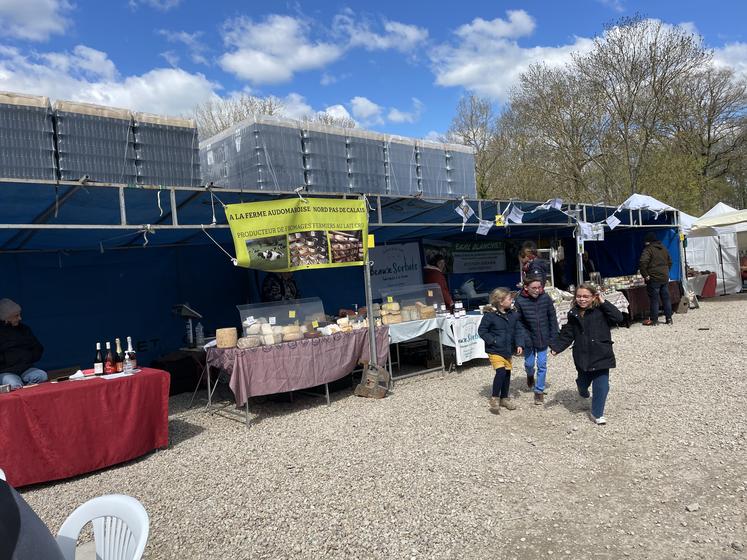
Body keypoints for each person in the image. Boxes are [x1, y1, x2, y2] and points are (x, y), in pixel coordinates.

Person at [550, 283, 624, 425]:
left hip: (601, 353)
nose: (582, 299)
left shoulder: (601, 310)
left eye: (585, 296)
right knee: (583, 382)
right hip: (582, 355)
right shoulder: (573, 313)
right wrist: (556, 347)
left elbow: (618, 318)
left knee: (601, 386)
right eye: (579, 296)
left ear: (593, 297)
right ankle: (581, 387)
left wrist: (603, 302)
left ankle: (597, 413)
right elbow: (568, 334)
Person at [478, 288, 525, 414]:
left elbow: (519, 330)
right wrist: (492, 341)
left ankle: (504, 398)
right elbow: (482, 331)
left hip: (508, 350)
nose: (512, 301)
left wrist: (519, 343)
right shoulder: (490, 316)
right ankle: (494, 398)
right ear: (500, 301)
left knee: (507, 374)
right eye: (510, 299)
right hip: (495, 350)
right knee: (501, 372)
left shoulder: (513, 314)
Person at [514, 276, 559, 404]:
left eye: (539, 287)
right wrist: (522, 339)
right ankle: (529, 375)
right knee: (529, 364)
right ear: (526, 288)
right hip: (528, 338)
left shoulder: (546, 298)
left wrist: (553, 337)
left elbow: (552, 318)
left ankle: (539, 391)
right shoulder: (519, 301)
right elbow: (518, 322)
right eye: (534, 287)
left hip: (543, 337)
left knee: (542, 364)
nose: (537, 290)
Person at [0, 299, 48, 390]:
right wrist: (9, 360)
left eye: (19, 315)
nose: (20, 318)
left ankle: (31, 399)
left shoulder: (24, 329)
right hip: (5, 371)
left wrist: (27, 358)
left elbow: (37, 348)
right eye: (16, 316)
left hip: (25, 368)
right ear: (6, 317)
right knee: (14, 385)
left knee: (42, 375)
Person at [639, 232, 673, 326]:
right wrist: (666, 272)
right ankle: (669, 319)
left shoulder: (648, 249)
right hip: (664, 277)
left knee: (654, 299)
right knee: (666, 298)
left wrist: (645, 275)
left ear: (648, 242)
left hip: (653, 278)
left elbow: (642, 263)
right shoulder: (664, 248)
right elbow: (670, 262)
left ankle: (654, 320)